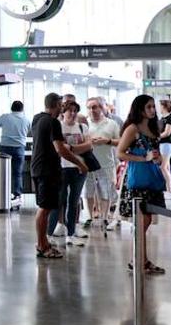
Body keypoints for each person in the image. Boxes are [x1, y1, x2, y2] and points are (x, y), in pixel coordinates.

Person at [31, 93, 88, 260]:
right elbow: (60, 149)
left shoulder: (37, 119)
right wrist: (80, 163)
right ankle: (42, 245)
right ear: (56, 104)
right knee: (45, 208)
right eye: (61, 105)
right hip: (47, 170)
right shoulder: (53, 122)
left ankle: (43, 243)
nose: (63, 108)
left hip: (38, 168)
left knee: (44, 207)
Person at [117, 95, 167, 275]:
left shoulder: (154, 128)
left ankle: (141, 259)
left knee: (145, 222)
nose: (153, 110)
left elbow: (156, 152)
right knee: (142, 221)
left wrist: (158, 158)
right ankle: (139, 260)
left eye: (154, 107)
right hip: (138, 179)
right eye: (149, 107)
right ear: (140, 109)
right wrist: (141, 158)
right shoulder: (132, 129)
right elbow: (120, 153)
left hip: (152, 179)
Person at [47, 101, 91, 246]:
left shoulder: (82, 127)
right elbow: (58, 148)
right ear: (63, 112)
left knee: (74, 201)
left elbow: (88, 145)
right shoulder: (57, 126)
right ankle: (49, 234)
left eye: (75, 111)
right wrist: (74, 149)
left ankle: (71, 234)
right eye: (69, 110)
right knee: (59, 201)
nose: (72, 113)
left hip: (79, 169)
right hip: (61, 168)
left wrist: (70, 148)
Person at [83, 97, 121, 232]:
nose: (92, 110)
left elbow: (120, 141)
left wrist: (107, 141)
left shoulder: (111, 124)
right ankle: (91, 216)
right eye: (89, 107)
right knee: (88, 192)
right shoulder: (84, 124)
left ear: (102, 108)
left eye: (95, 107)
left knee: (106, 192)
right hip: (88, 164)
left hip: (106, 164)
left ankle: (104, 217)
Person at [0, 101, 30, 200]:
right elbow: (30, 131)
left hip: (5, 147)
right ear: (22, 109)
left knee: (4, 172)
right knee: (17, 173)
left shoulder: (5, 117)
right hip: (19, 148)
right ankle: (17, 194)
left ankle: (3, 193)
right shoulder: (26, 120)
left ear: (11, 108)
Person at [156, 99, 171, 194]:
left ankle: (169, 189)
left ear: (164, 107)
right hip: (162, 144)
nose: (158, 108)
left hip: (167, 144)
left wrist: (157, 137)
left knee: (163, 167)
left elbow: (167, 132)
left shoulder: (170, 118)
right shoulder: (162, 118)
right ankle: (168, 188)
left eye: (160, 106)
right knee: (167, 167)